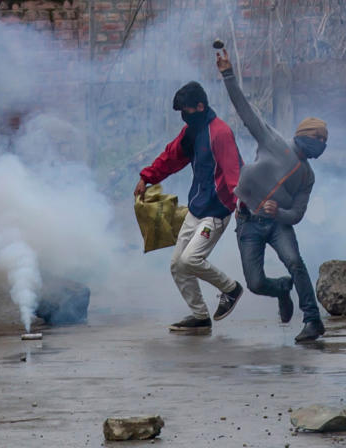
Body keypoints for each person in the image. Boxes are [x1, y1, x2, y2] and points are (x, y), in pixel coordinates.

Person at [216, 49, 327, 343]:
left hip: (278, 225)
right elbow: (245, 110)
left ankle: (313, 320)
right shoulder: (274, 141)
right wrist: (228, 75)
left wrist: (277, 212)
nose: (321, 144)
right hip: (248, 221)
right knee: (254, 283)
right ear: (303, 134)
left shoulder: (308, 176)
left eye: (324, 141)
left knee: (296, 261)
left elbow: (298, 214)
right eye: (317, 137)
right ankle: (281, 289)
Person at [136, 81, 245, 334]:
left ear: (200, 106)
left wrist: (240, 203)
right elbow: (171, 157)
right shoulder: (192, 132)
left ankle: (230, 288)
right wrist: (147, 177)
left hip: (216, 212)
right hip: (196, 209)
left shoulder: (220, 132)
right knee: (177, 265)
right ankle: (200, 316)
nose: (184, 116)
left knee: (191, 259)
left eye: (186, 110)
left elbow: (233, 172)